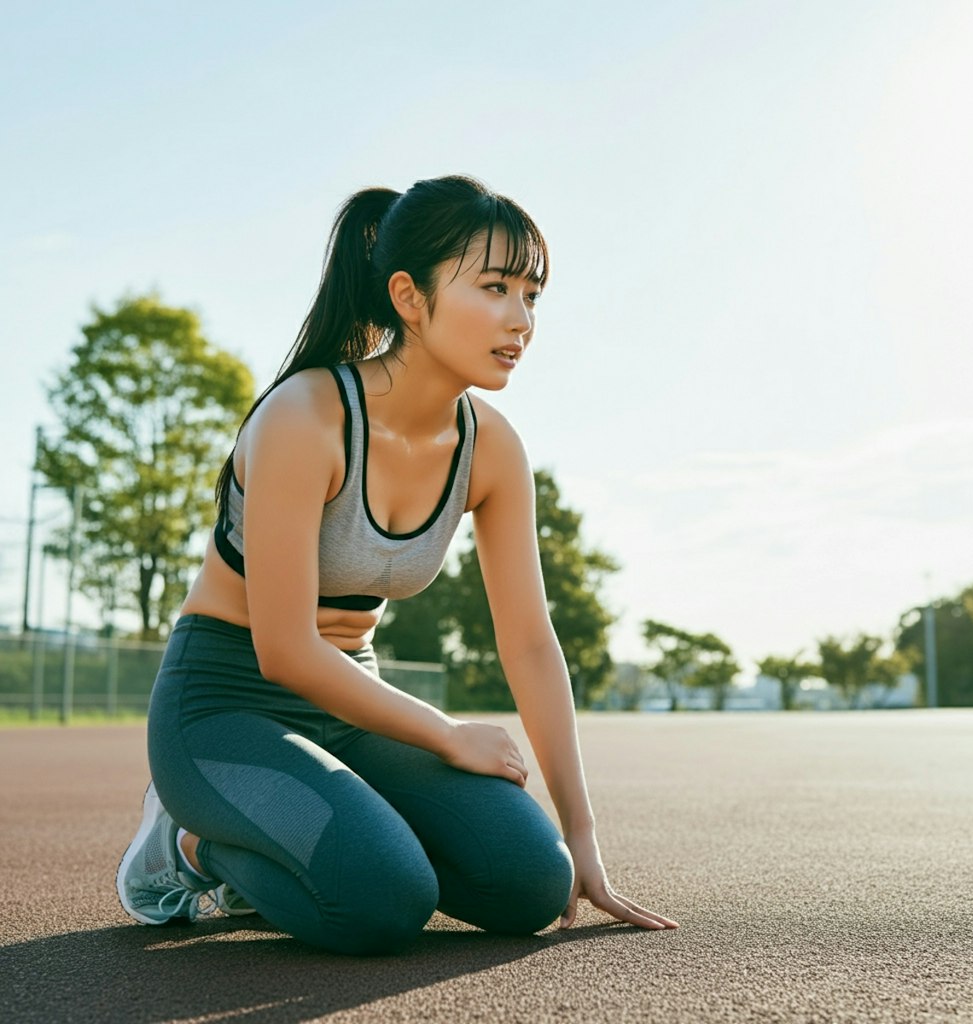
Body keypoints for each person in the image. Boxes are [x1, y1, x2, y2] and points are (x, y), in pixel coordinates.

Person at [116, 174, 678, 955]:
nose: (520, 319)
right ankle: (187, 847)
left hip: (353, 703)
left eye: (532, 294)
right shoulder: (305, 417)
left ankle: (348, 837)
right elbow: (283, 652)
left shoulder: (492, 447)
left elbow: (528, 642)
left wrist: (582, 835)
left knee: (531, 883)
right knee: (381, 899)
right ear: (410, 298)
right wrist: (446, 734)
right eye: (493, 287)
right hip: (223, 708)